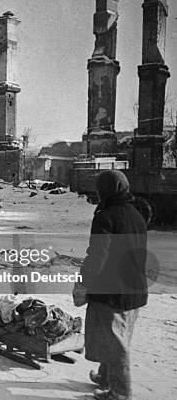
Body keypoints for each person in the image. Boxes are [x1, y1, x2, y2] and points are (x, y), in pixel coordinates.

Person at [80, 170, 148, 400]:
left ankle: (121, 394)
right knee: (117, 337)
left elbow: (97, 255)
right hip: (135, 289)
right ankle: (106, 378)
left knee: (116, 344)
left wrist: (83, 282)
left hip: (113, 291)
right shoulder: (136, 214)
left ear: (104, 191)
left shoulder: (105, 217)